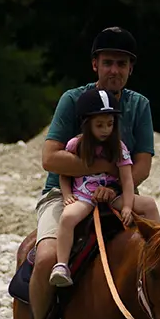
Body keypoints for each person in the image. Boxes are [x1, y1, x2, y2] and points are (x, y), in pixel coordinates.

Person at [22, 27, 160, 319]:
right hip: (64, 193)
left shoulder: (139, 105)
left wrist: (114, 187)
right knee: (46, 260)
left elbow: (141, 164)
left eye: (122, 64)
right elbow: (51, 159)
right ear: (95, 64)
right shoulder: (73, 100)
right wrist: (105, 168)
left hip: (119, 194)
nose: (115, 70)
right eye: (109, 62)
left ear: (131, 69)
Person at [49, 89, 136, 287]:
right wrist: (67, 194)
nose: (106, 129)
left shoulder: (119, 147)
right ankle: (61, 265)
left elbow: (128, 179)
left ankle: (158, 249)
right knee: (68, 217)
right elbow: (63, 172)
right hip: (84, 196)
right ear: (87, 125)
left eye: (110, 124)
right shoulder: (75, 145)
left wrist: (128, 206)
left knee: (148, 205)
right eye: (99, 125)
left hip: (112, 194)